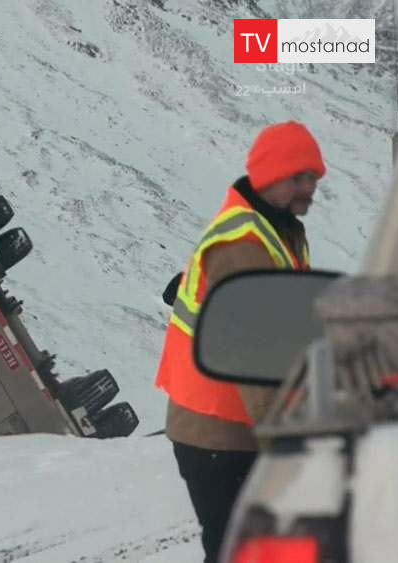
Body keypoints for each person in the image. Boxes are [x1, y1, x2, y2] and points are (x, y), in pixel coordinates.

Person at [154, 121, 324, 562]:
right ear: (271, 175)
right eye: (301, 177)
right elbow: (254, 359)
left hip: (230, 424)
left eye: (314, 178)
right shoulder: (244, 244)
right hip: (218, 433)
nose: (311, 188)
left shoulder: (278, 228)